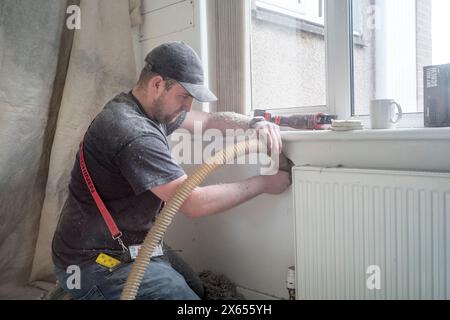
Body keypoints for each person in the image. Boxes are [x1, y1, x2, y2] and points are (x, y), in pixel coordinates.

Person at [51, 41, 291, 300]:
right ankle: (80, 292)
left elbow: (208, 121)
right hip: (92, 261)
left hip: (131, 248)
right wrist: (265, 183)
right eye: (184, 96)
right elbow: (191, 202)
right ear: (157, 85)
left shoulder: (145, 109)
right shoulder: (131, 131)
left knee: (197, 290)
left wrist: (254, 123)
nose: (188, 107)